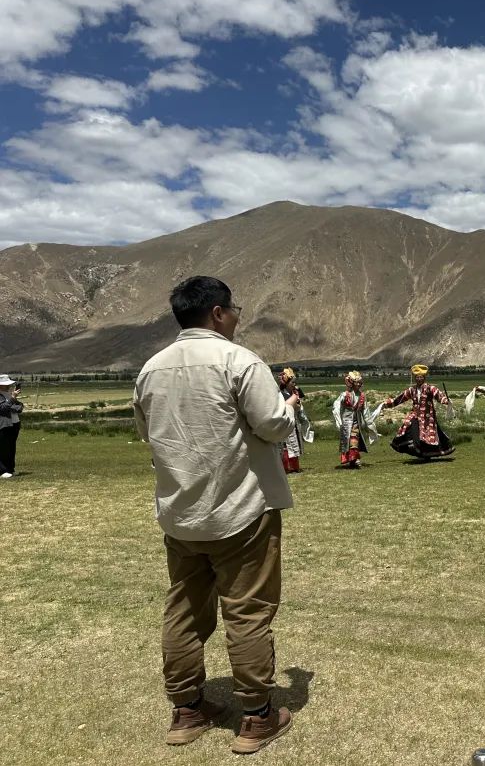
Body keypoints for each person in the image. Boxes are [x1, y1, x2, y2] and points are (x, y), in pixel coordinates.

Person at [132, 276, 297, 753]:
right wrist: (288, 407)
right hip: (241, 510)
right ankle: (257, 716)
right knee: (247, 611)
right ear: (219, 313)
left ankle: (187, 710)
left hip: (180, 514)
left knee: (184, 610)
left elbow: (147, 433)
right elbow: (272, 425)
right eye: (235, 309)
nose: (238, 317)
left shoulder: (151, 369)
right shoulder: (239, 361)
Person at [383, 365, 455, 459]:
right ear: (415, 378)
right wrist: (387, 404)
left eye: (421, 377)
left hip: (428, 417)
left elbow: (439, 395)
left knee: (427, 435)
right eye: (417, 377)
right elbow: (400, 398)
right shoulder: (411, 390)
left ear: (424, 378)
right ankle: (413, 447)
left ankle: (426, 453)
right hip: (416, 414)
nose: (419, 379)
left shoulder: (430, 388)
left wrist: (446, 401)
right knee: (408, 423)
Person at [333, 370, 369, 468]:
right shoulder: (345, 395)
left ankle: (355, 459)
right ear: (352, 383)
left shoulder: (362, 396)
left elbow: (365, 410)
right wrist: (338, 419)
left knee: (354, 439)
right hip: (346, 422)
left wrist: (368, 423)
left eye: (360, 382)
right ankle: (352, 460)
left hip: (356, 421)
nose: (359, 384)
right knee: (347, 441)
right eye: (357, 382)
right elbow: (337, 405)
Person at [276, 368, 309, 473]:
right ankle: (286, 467)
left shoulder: (295, 393)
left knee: (295, 443)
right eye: (292, 382)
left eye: (295, 382)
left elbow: (301, 398)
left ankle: (294, 466)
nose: (294, 384)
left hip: (294, 420)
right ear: (286, 383)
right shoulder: (281, 395)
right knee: (286, 444)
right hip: (285, 421)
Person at [0, 375, 23, 479]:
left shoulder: (8, 394)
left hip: (14, 424)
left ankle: (10, 469)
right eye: (6, 385)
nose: (9, 386)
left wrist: (12, 401)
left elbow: (19, 407)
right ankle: (2, 471)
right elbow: (3, 408)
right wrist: (13, 399)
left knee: (11, 448)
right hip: (3, 425)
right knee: (3, 448)